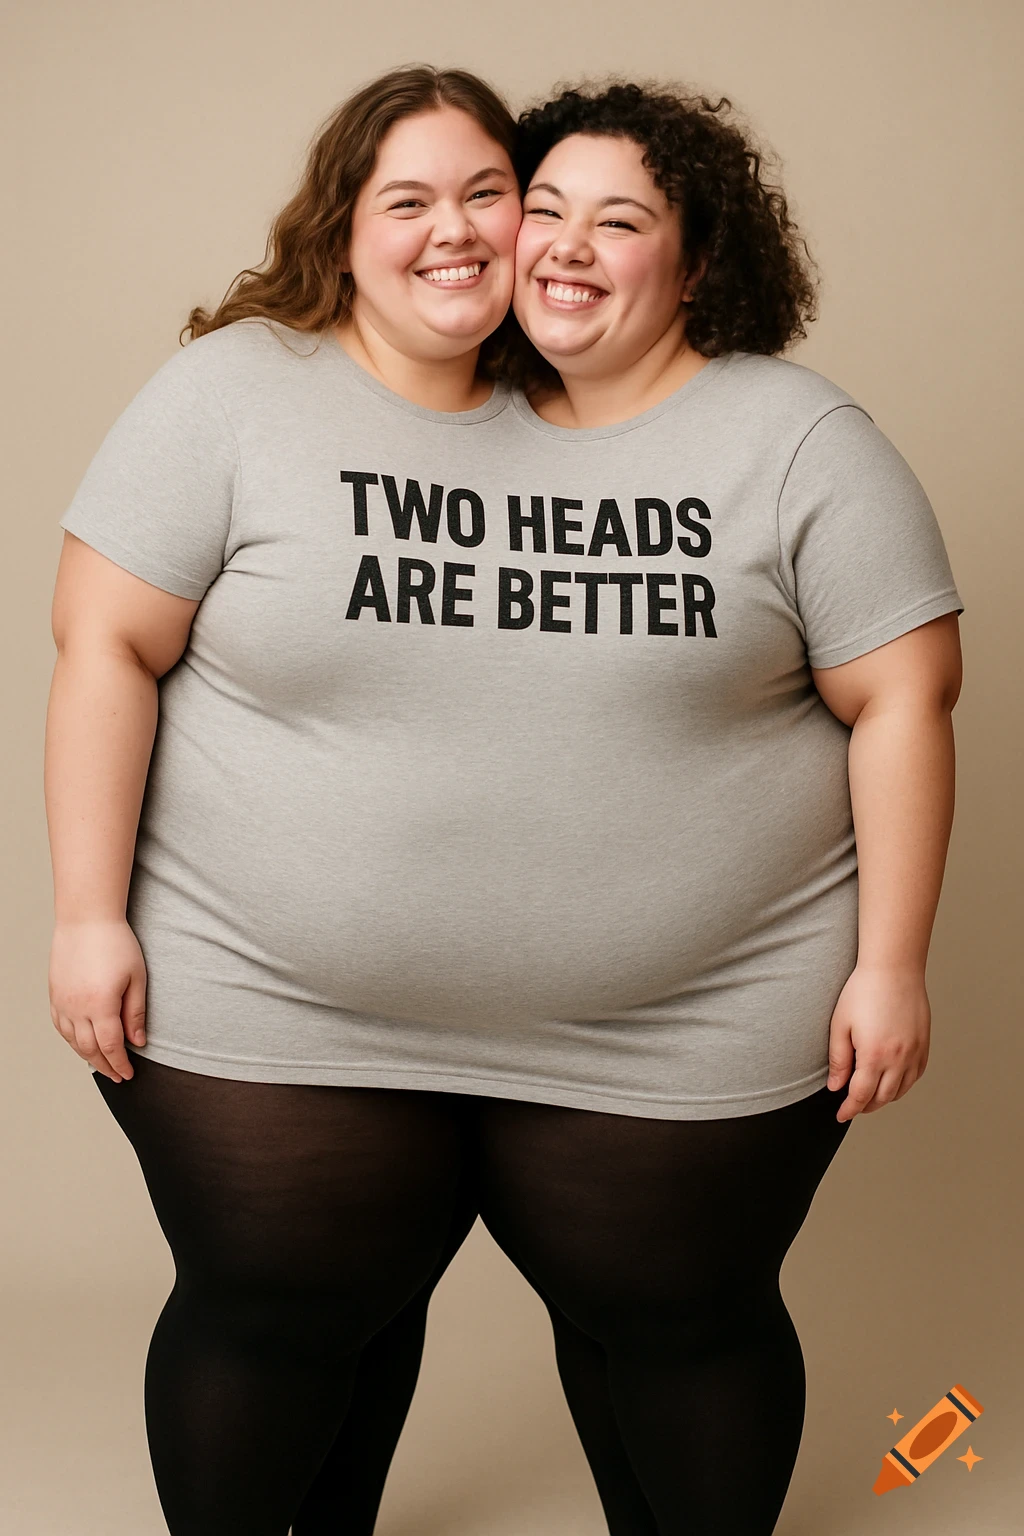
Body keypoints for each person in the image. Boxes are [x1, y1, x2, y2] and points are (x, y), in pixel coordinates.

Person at [448, 80, 962, 1535]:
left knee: (682, 1304)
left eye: (620, 221)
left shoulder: (796, 439)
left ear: (698, 262)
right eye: (543, 209)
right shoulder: (448, 419)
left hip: (730, 997)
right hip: (492, 1017)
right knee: (600, 1292)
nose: (564, 246)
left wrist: (892, 964)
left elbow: (906, 702)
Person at [45, 64, 523, 1536]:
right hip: (235, 971)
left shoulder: (576, 410)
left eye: (488, 194)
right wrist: (85, 918)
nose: (454, 230)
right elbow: (105, 644)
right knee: (282, 1284)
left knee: (376, 1270)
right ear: (343, 227)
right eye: (410, 199)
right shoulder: (239, 390)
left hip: (481, 998)